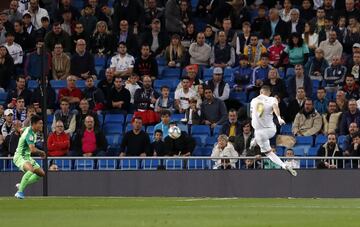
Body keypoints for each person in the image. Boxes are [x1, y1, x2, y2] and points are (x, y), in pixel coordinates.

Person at [250, 85, 297, 176]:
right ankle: (284, 165)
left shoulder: (253, 101)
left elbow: (252, 115)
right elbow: (275, 107)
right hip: (271, 130)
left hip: (260, 132)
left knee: (268, 153)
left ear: (260, 92)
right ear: (269, 93)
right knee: (268, 151)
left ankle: (255, 140)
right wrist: (279, 118)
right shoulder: (273, 99)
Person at [13, 115, 46, 199]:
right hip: (20, 156)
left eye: (42, 123)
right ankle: (19, 192)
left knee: (41, 173)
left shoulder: (29, 129)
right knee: (30, 170)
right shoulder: (30, 134)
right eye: (40, 123)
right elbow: (32, 149)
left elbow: (21, 130)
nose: (41, 125)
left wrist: (19, 130)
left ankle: (21, 184)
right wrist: (41, 152)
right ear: (34, 124)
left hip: (27, 157)